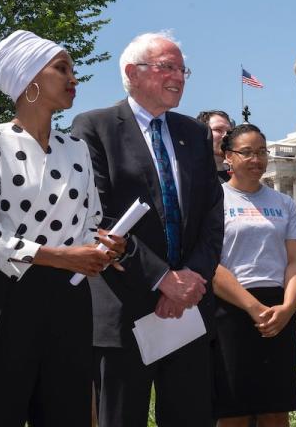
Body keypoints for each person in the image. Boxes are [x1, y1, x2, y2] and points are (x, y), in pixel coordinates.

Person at [0, 30, 125, 426]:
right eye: (61, 68)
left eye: (73, 70)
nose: (73, 78)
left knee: (67, 413)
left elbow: (90, 222)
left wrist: (105, 248)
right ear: (30, 79)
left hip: (69, 303)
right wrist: (62, 256)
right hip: (6, 301)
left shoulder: (76, 149)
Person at [72, 31, 233, 427]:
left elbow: (213, 212)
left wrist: (191, 277)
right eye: (167, 67)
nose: (179, 77)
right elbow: (98, 218)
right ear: (133, 72)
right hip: (123, 309)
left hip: (188, 310)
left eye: (182, 69)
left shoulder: (193, 134)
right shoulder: (95, 127)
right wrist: (162, 279)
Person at [210, 123, 296, 427]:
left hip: (278, 311)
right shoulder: (213, 201)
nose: (257, 160)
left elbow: (294, 262)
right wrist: (253, 308)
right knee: (233, 411)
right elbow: (210, 264)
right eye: (247, 152)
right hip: (230, 308)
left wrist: (288, 308)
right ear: (228, 157)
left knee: (276, 409)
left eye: (262, 152)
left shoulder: (284, 203)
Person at [197, 110, 235, 183]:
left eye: (229, 132)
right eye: (218, 130)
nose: (226, 135)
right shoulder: (192, 175)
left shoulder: (239, 176)